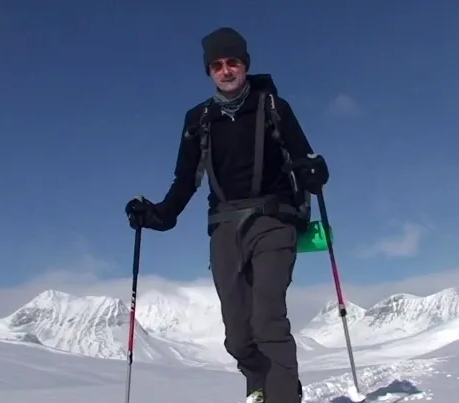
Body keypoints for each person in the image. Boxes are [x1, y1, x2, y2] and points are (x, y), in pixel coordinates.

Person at [124, 27, 329, 403]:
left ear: (245, 65)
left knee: (268, 319)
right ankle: (265, 384)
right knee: (237, 337)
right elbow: (185, 180)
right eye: (216, 65)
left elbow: (303, 157)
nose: (225, 70)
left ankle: (282, 394)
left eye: (232, 62)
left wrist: (314, 171)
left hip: (273, 219)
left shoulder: (273, 107)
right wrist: (158, 215)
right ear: (208, 71)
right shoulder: (198, 119)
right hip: (224, 228)